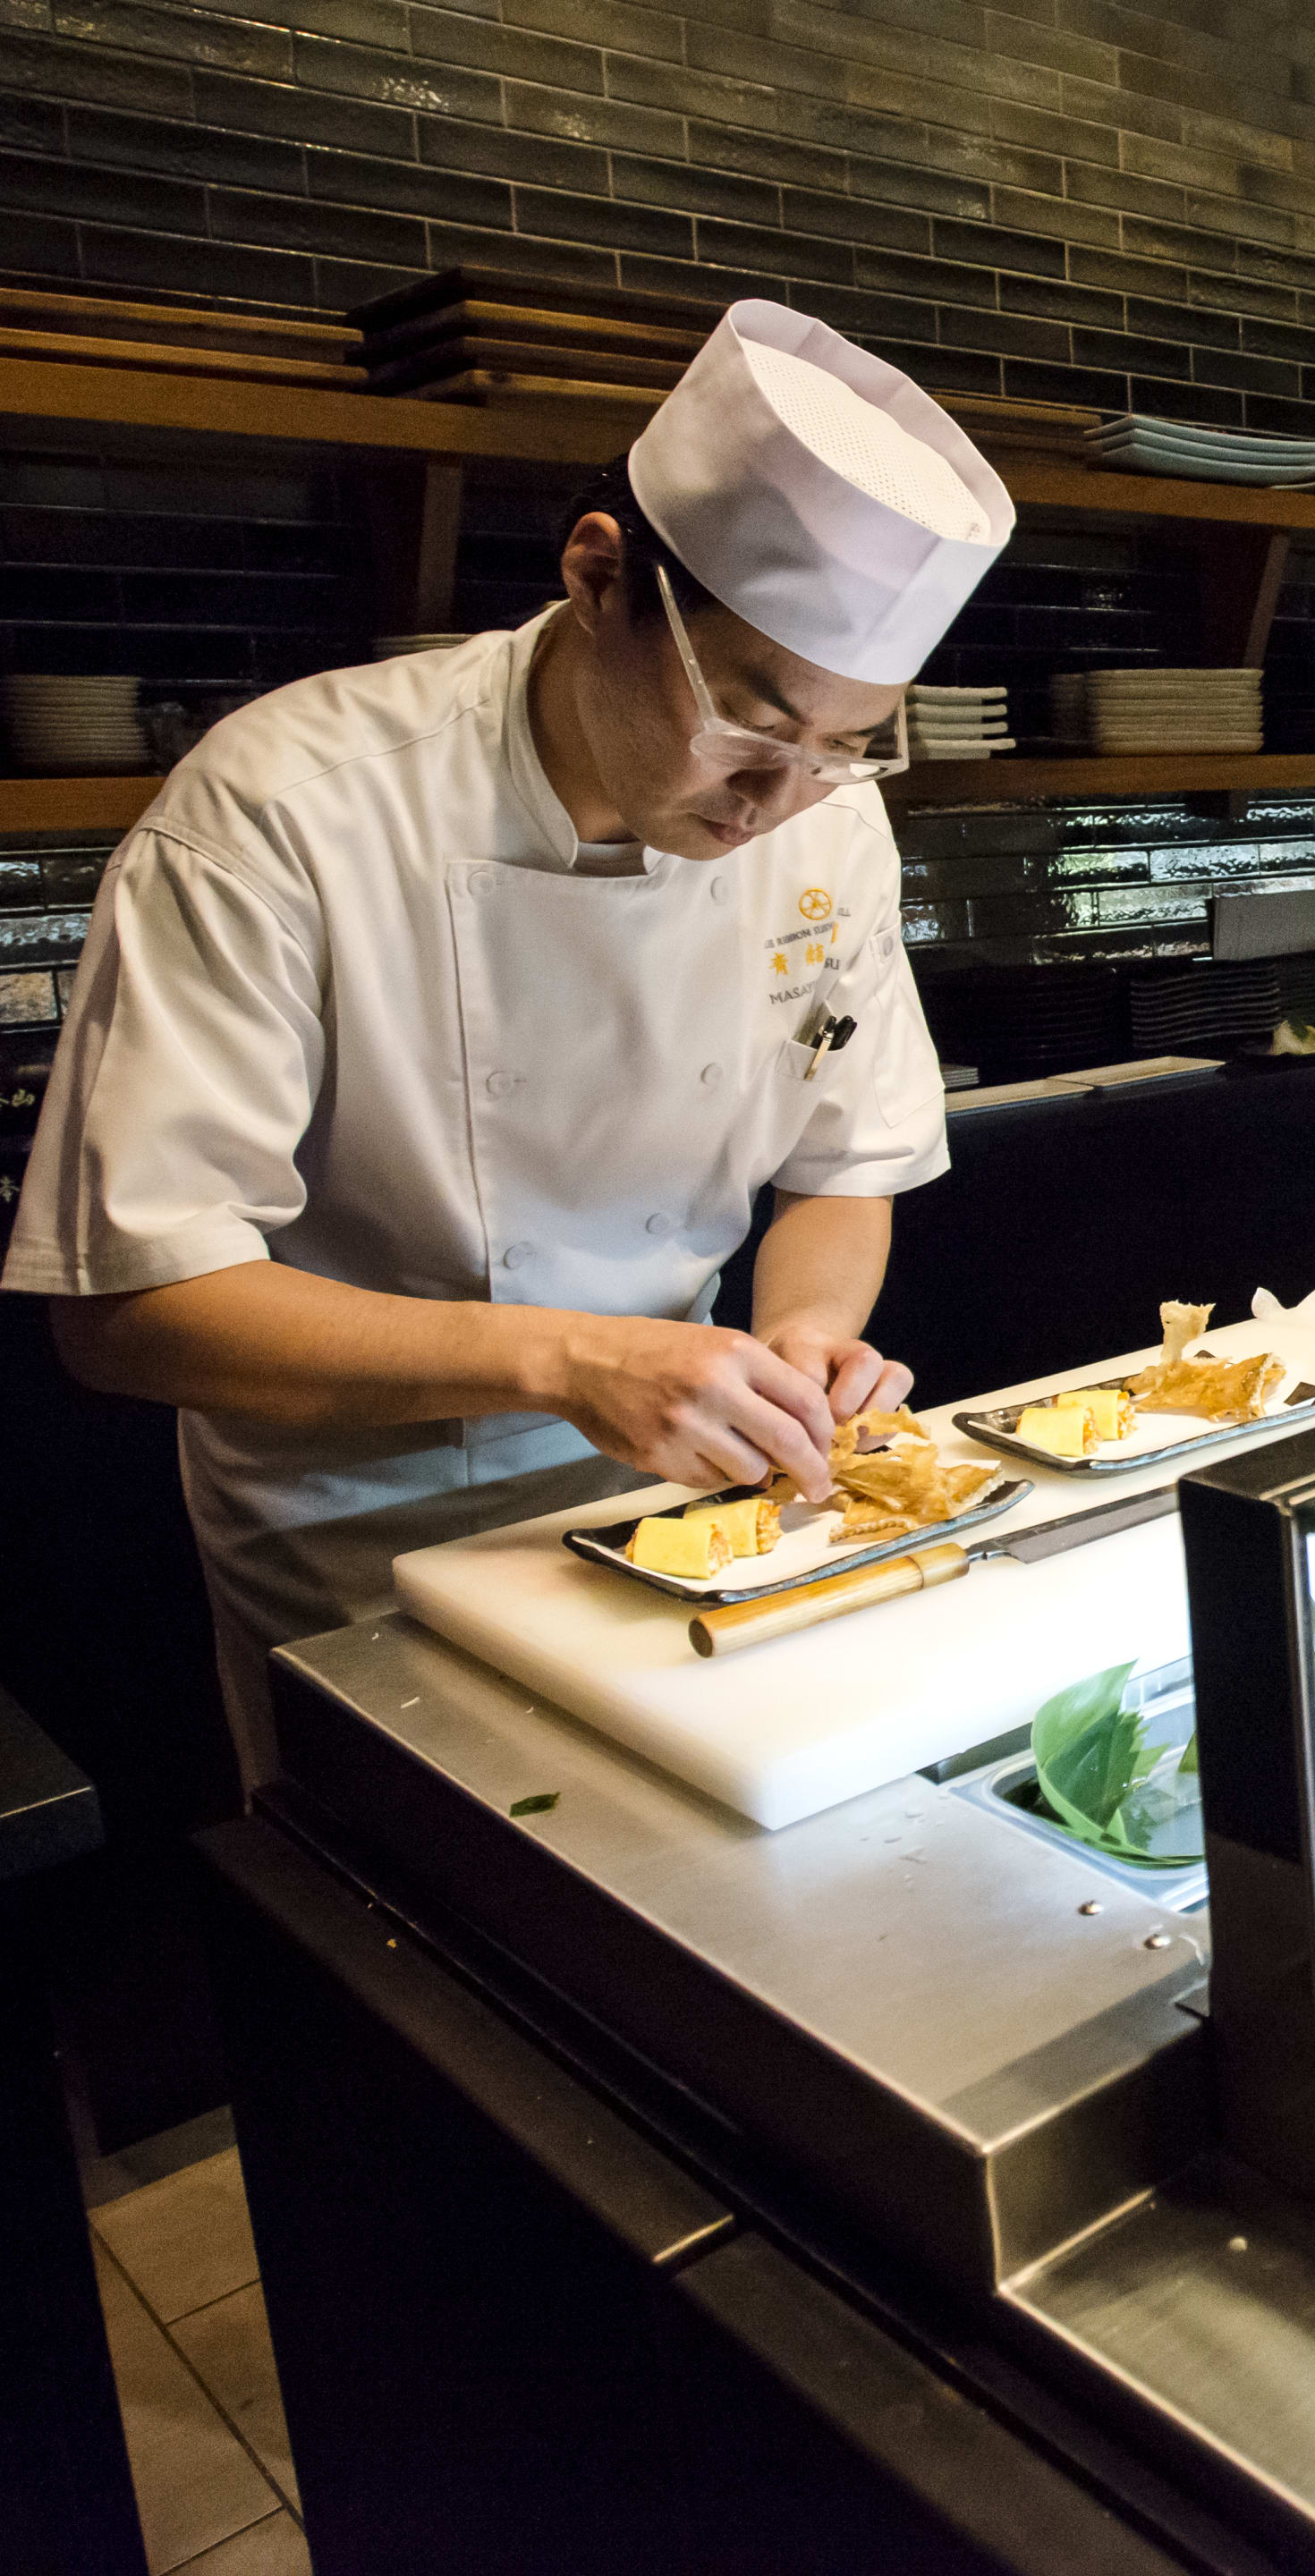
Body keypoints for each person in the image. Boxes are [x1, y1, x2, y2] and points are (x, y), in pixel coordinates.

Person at [4, 301, 1005, 1777]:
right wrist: (570, 1362)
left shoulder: (823, 821)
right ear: (600, 574)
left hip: (691, 1497)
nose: (777, 799)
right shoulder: (289, 806)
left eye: (850, 747)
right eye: (748, 723)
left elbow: (842, 1160)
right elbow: (130, 1308)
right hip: (356, 1533)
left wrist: (803, 1344)